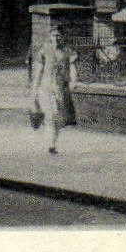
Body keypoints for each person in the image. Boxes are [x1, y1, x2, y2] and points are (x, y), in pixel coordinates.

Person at [28, 23, 77, 154]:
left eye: (59, 36)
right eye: (54, 35)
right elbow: (38, 72)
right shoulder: (44, 51)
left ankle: (52, 141)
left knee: (59, 120)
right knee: (51, 116)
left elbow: (72, 68)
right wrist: (33, 92)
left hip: (60, 89)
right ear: (50, 36)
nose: (56, 38)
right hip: (46, 88)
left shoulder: (66, 52)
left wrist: (73, 82)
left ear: (62, 37)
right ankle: (51, 146)